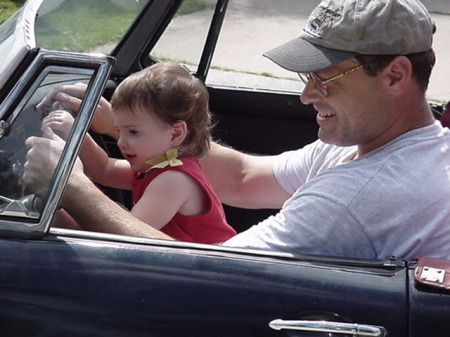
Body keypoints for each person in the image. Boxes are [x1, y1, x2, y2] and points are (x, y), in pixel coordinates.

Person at [24, 0, 450, 260]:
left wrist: (71, 187)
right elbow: (245, 178)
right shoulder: (375, 146)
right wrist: (130, 126)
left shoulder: (361, 197)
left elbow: (205, 274)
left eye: (324, 78)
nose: (306, 96)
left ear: (395, 76)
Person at [37, 62, 236, 244]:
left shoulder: (173, 179)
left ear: (176, 133)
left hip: (210, 273)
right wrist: (76, 132)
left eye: (133, 132)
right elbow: (104, 169)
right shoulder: (160, 165)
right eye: (119, 130)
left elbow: (123, 236)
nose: (121, 141)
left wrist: (62, 216)